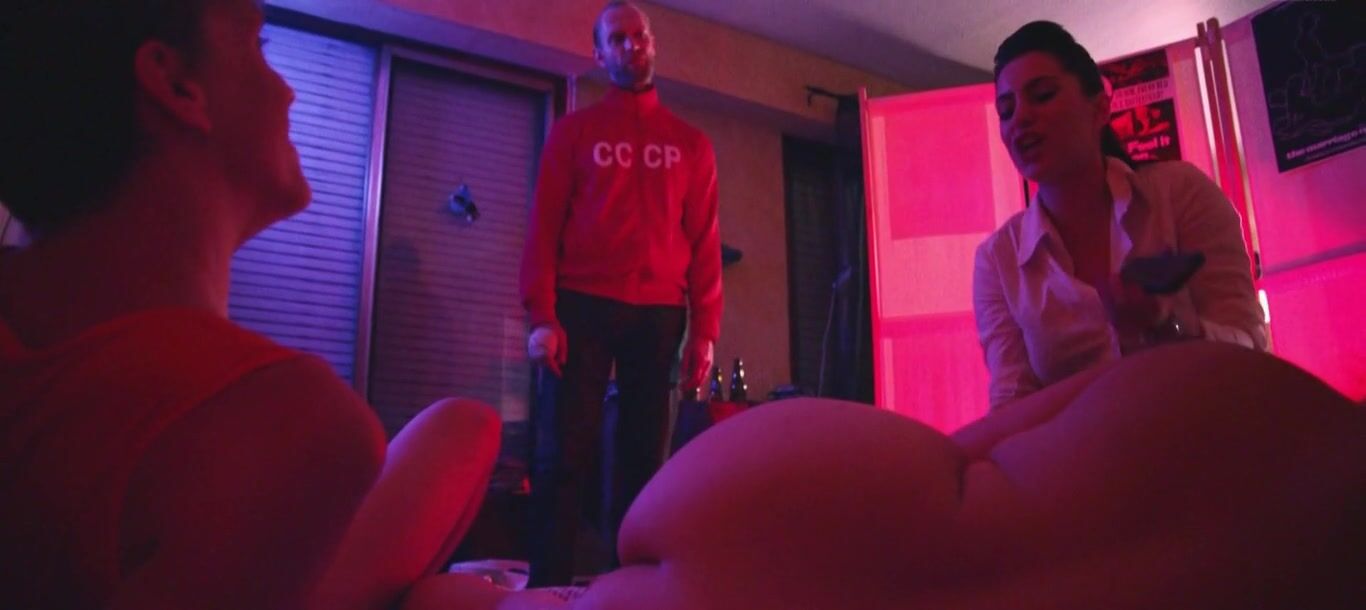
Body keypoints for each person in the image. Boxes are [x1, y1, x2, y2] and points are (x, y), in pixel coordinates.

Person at [0, 2, 524, 608]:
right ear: (176, 84)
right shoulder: (292, 423)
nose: (288, 92)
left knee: (462, 426)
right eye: (259, 47)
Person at [518, 0, 722, 586]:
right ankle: (549, 587)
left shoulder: (692, 144)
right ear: (599, 53)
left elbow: (705, 242)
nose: (632, 45)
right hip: (581, 305)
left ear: (652, 43)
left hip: (660, 314)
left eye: (640, 35)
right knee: (563, 454)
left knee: (644, 462)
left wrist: (705, 331)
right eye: (618, 38)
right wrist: (542, 314)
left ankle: (628, 587)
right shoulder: (574, 133)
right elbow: (543, 228)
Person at [973, 21, 1267, 409]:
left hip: (1209, 429)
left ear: (1099, 109)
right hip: (1082, 448)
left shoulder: (1179, 194)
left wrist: (1168, 327)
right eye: (1006, 110)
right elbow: (1013, 402)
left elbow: (1249, 348)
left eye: (1042, 95)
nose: (1020, 118)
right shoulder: (999, 261)